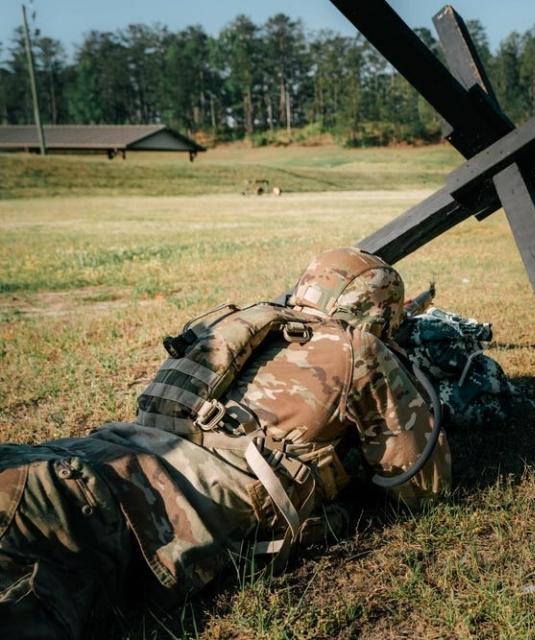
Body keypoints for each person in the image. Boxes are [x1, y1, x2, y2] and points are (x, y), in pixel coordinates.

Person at [0, 247, 450, 639]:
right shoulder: (358, 348)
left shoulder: (245, 324)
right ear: (381, 314)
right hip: (98, 510)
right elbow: (424, 487)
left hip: (66, 458)